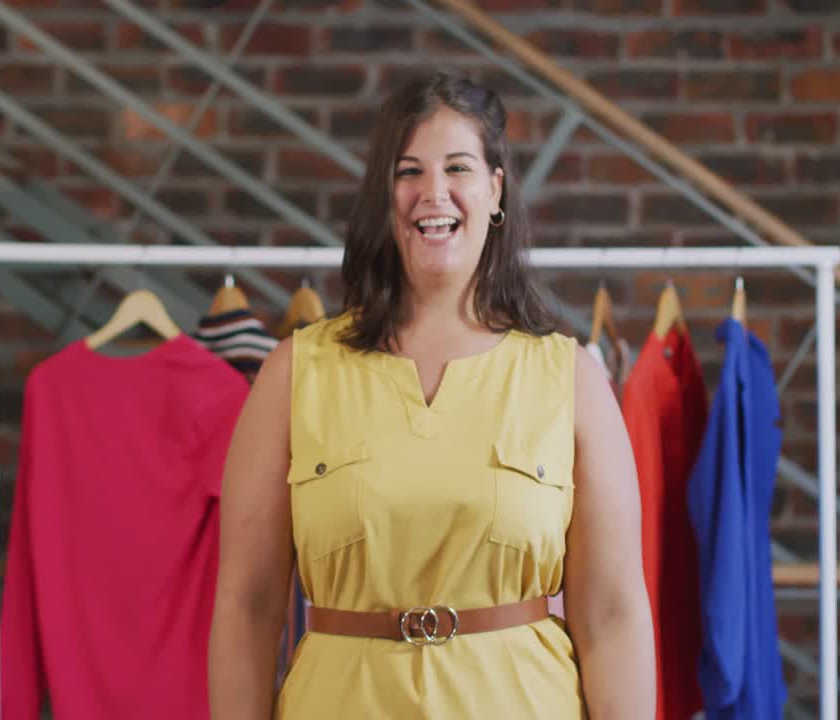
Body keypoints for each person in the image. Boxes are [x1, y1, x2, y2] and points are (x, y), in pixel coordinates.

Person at [208, 71, 655, 719]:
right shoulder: (295, 372)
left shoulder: (570, 379)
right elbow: (245, 607)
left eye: (458, 167)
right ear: (382, 196)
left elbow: (613, 616)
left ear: (495, 189)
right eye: (407, 170)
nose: (432, 192)